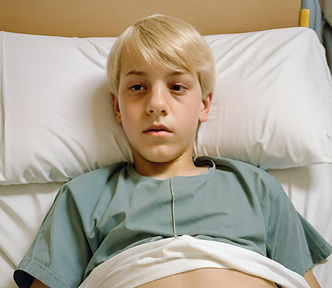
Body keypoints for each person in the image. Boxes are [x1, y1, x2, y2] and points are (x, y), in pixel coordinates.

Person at [14, 14, 332, 288]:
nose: (156, 105)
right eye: (138, 87)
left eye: (177, 87)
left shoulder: (256, 187)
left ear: (204, 105)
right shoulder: (84, 196)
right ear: (117, 107)